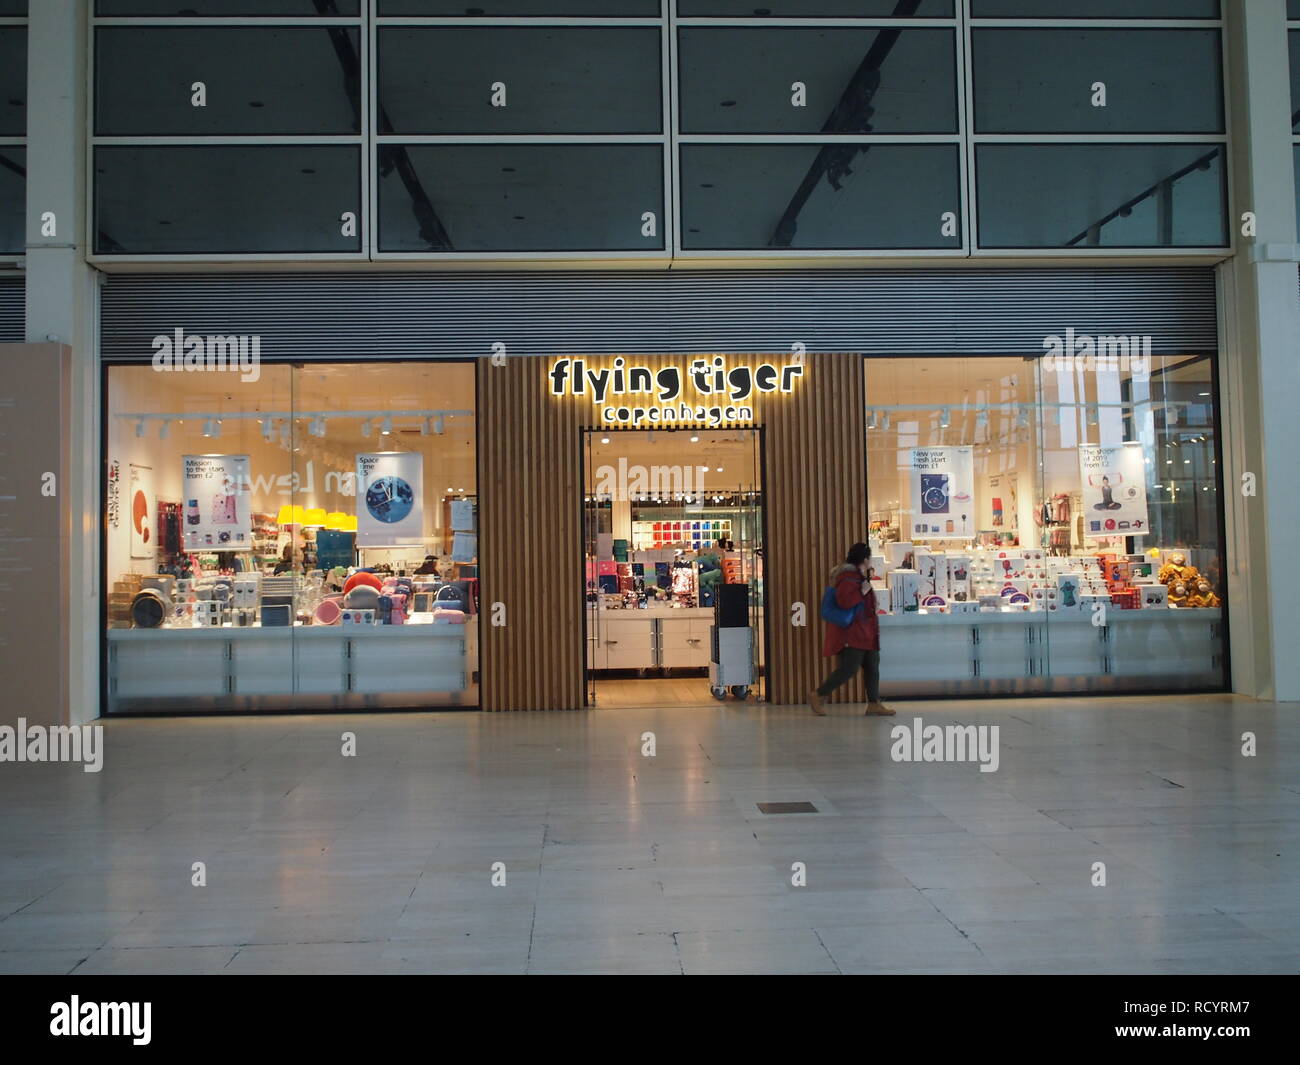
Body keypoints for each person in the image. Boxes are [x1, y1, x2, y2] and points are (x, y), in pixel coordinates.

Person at [809, 542, 894, 717]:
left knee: (872, 666)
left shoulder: (857, 576)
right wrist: (863, 592)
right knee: (848, 668)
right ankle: (818, 694)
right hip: (853, 633)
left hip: (865, 632)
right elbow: (845, 602)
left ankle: (873, 703)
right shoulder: (848, 577)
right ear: (864, 559)